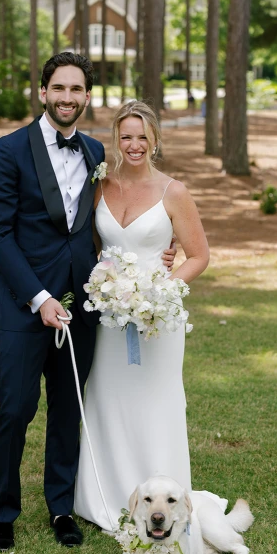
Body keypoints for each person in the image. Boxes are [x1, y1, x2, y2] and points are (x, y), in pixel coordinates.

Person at [0, 53, 175, 551]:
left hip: (85, 309)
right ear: (43, 92)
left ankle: (62, 507)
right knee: (16, 410)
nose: (68, 98)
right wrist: (39, 298)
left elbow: (108, 223)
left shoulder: (93, 153)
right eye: (59, 88)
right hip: (26, 308)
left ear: (87, 96)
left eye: (77, 90)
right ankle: (3, 513)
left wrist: (159, 252)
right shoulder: (6, 152)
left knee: (69, 409)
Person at [74, 100, 210, 531]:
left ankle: (164, 504)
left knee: (156, 402)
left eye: (142, 136)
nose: (134, 144)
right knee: (108, 397)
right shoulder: (101, 185)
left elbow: (200, 255)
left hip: (157, 321)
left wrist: (159, 290)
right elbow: (93, 248)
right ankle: (109, 496)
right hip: (112, 319)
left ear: (155, 140)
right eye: (126, 136)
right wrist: (109, 287)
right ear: (116, 140)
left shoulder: (174, 192)